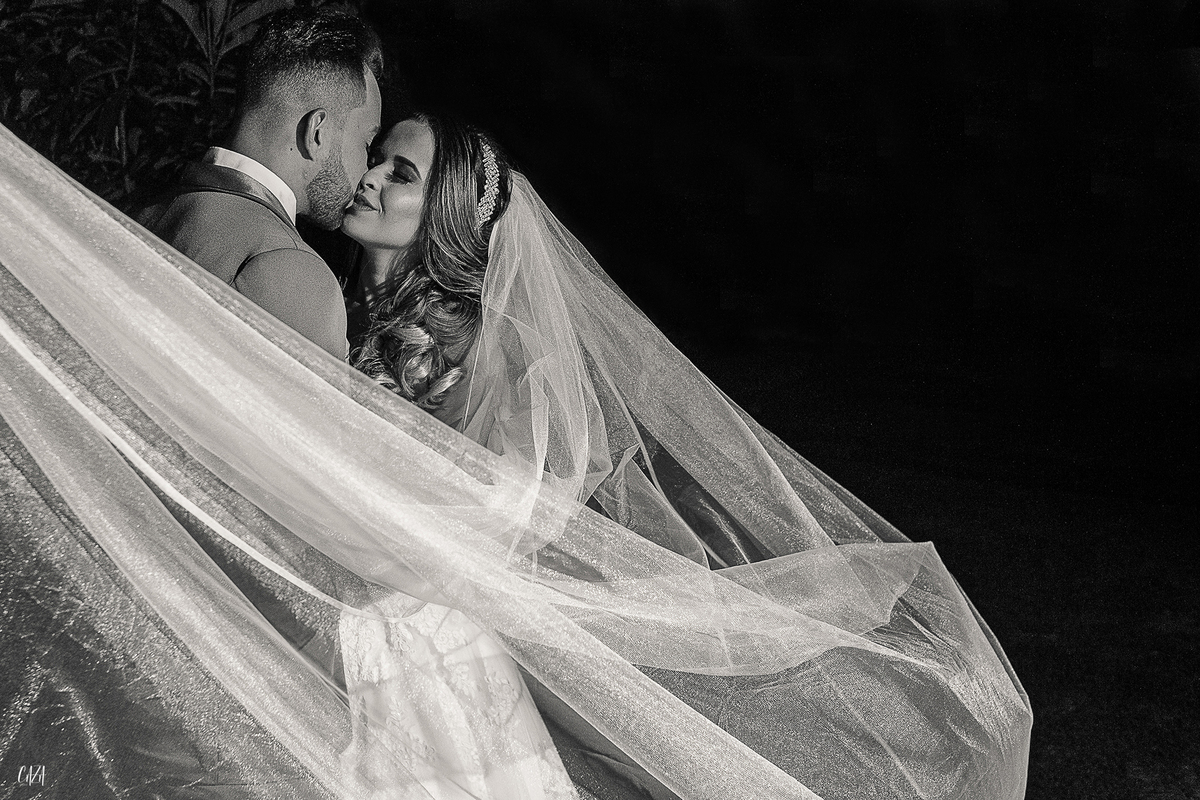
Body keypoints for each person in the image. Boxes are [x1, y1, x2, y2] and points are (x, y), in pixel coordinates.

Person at [340, 114, 1033, 799]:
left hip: (430, 633)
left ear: (449, 211)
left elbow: (503, 512)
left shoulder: (493, 355)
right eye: (376, 158)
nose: (369, 177)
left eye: (401, 174)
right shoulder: (332, 305)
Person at [139, 9, 383, 360]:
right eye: (366, 145)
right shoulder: (293, 271)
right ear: (318, 132)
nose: (366, 170)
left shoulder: (148, 207)